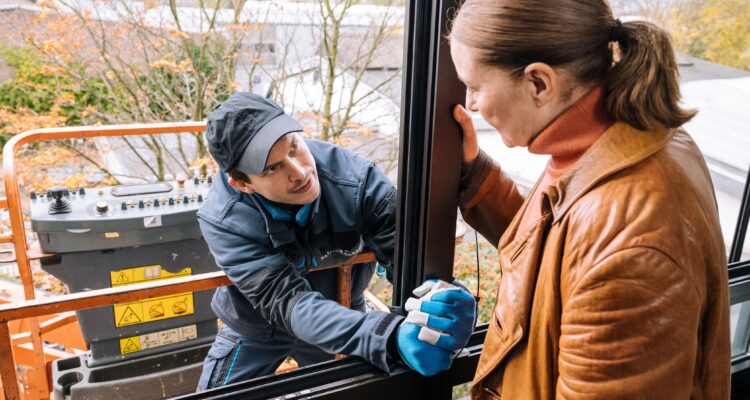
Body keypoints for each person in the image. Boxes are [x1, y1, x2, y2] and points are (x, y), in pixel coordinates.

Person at [448, 1, 730, 399]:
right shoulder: (616, 140)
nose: (471, 103)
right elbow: (565, 251)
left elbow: (600, 246)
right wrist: (474, 174)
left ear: (539, 84)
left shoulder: (635, 241)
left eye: (475, 86)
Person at [196, 92, 477, 390]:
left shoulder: (356, 180)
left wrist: (441, 298)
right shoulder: (224, 219)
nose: (300, 172)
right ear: (242, 183)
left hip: (341, 315)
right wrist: (388, 336)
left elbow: (405, 256)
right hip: (258, 326)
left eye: (294, 148)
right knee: (215, 396)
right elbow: (285, 300)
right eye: (272, 168)